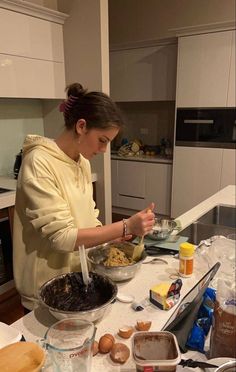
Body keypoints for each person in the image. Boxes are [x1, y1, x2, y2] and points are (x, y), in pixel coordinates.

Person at [13, 83, 155, 311]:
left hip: (79, 280)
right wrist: (126, 226)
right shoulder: (39, 163)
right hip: (44, 292)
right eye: (103, 140)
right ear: (81, 126)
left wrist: (110, 239)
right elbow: (61, 238)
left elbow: (88, 218)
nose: (104, 150)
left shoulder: (83, 164)